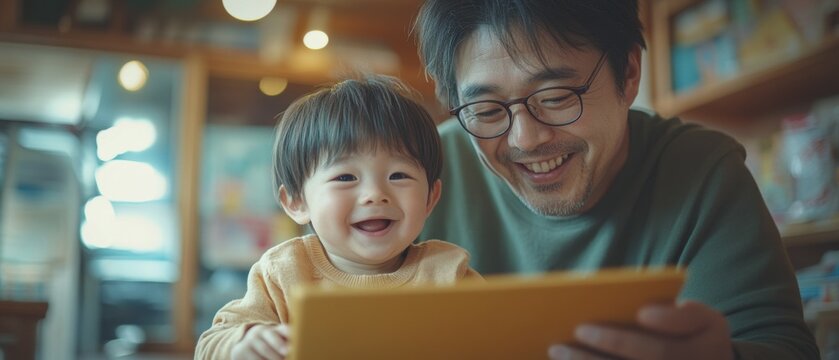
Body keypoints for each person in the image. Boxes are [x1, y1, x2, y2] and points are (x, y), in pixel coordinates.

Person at [414, 0, 818, 359]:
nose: (525, 138)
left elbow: (784, 346)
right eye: (486, 110)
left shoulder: (703, 172)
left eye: (555, 97)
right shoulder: (420, 172)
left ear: (628, 72)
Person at [194, 75, 481, 360]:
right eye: (345, 177)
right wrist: (242, 344)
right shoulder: (284, 272)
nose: (375, 194)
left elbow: (497, 339)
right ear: (296, 202)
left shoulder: (450, 274)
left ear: (430, 197)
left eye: (398, 175)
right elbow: (209, 346)